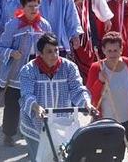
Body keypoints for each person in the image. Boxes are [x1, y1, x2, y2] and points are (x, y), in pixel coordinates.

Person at [19, 33, 95, 162]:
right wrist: (36, 108)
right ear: (40, 54)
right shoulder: (28, 70)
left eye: (56, 51)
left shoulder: (69, 67)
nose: (54, 55)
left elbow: (77, 89)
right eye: (49, 52)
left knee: (61, 157)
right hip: (35, 124)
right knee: (39, 158)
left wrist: (87, 103)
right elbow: (27, 95)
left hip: (61, 124)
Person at [0, 0, 52, 146]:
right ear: (23, 7)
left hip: (37, 71)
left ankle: (32, 133)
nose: (34, 10)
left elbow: (50, 47)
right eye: (30, 6)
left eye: (36, 6)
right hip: (16, 71)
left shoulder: (44, 25)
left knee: (35, 104)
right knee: (13, 104)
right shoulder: (13, 25)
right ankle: (9, 133)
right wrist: (12, 52)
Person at [86, 32, 128, 148]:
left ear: (121, 49)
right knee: (105, 152)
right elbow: (90, 95)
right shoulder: (97, 67)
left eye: (115, 50)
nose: (113, 54)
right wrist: (100, 81)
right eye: (109, 51)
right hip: (105, 120)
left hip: (125, 118)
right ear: (103, 50)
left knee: (121, 152)